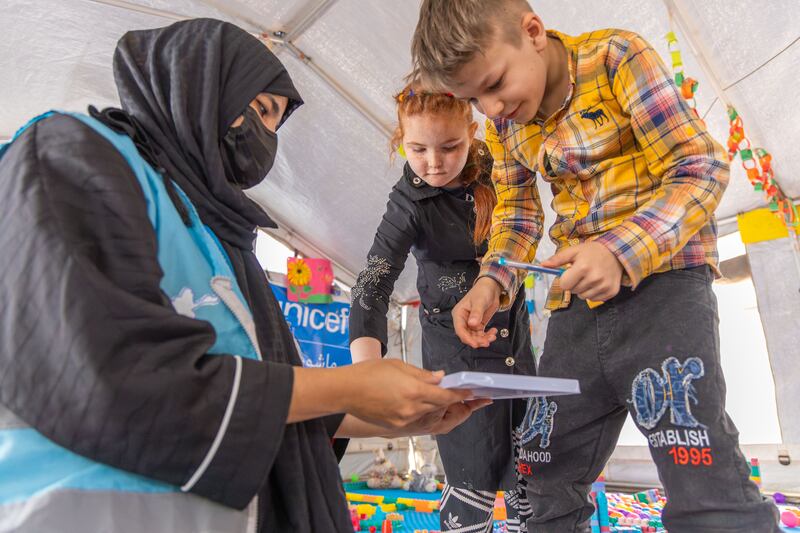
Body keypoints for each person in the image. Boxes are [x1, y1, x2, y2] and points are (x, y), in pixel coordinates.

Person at [0, 18, 486, 533]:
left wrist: (402, 414)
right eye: (257, 109)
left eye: (274, 121)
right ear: (196, 81)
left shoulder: (216, 226)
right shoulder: (72, 158)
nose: (265, 136)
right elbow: (117, 378)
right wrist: (352, 382)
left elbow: (265, 396)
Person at [409, 1, 781, 531]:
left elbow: (699, 167)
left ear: (532, 32)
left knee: (698, 469)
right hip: (576, 310)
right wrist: (493, 279)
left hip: (666, 289)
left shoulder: (616, 58)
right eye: (473, 99)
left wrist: (618, 251)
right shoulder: (506, 126)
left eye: (493, 85)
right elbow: (516, 216)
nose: (491, 109)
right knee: (541, 470)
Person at [349, 85, 535, 533]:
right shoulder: (408, 203)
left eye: (450, 147)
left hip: (515, 344)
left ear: (472, 133)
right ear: (401, 141)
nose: (434, 162)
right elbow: (372, 284)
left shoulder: (499, 168)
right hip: (456, 360)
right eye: (418, 149)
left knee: (530, 482)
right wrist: (367, 373)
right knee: (471, 487)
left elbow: (526, 227)